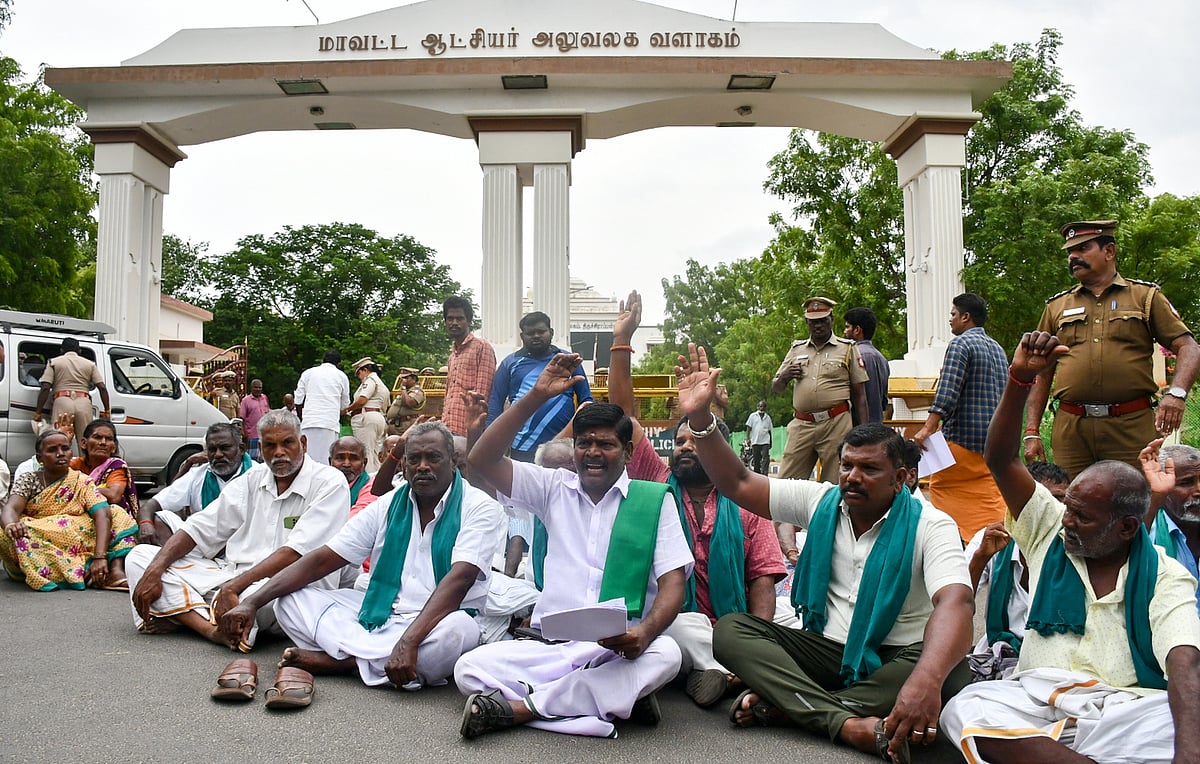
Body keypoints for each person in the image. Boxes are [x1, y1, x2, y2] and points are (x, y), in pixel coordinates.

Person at [674, 343, 974, 763]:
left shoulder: (931, 523)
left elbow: (956, 603)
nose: (852, 477)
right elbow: (739, 482)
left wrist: (926, 678)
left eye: (869, 469)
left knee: (950, 670)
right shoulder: (822, 501)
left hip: (898, 654)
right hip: (826, 650)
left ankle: (791, 707)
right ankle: (848, 723)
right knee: (731, 631)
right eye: (847, 465)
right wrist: (701, 418)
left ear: (902, 479)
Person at [941, 329, 1200, 764]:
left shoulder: (1164, 575)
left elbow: (1184, 661)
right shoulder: (1049, 535)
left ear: (1126, 528)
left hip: (1124, 708)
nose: (1067, 520)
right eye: (1068, 508)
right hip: (1037, 700)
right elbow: (1002, 458)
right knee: (965, 708)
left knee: (1185, 719)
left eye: (1082, 516)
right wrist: (1019, 379)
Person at [456, 357, 693, 739]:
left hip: (618, 648)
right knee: (468, 668)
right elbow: (482, 459)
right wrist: (534, 396)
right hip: (555, 649)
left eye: (606, 444)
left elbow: (673, 585)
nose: (593, 452)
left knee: (667, 655)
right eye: (584, 443)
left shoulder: (653, 501)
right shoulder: (552, 488)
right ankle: (604, 701)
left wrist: (645, 634)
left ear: (629, 453)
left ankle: (522, 709)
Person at [216, 421, 503, 705]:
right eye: (414, 459)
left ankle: (343, 663)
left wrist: (410, 640)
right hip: (378, 614)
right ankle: (377, 664)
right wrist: (252, 602)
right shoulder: (387, 504)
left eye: (433, 458)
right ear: (403, 464)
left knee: (460, 631)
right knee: (288, 601)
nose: (423, 466)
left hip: (436, 621)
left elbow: (460, 579)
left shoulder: (480, 507)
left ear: (452, 461)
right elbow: (323, 559)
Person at [609, 289, 786, 707]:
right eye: (679, 441)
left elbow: (762, 578)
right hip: (668, 621)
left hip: (729, 625)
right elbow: (623, 418)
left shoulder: (746, 503)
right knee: (684, 628)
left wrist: (758, 635)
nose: (684, 447)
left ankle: (717, 669)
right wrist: (621, 341)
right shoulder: (656, 481)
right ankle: (731, 675)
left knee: (774, 629)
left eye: (696, 441)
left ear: (719, 452)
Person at [126, 409, 349, 650]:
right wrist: (155, 570)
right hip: (229, 575)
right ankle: (211, 629)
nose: (279, 453)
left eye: (287, 443)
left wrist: (233, 588)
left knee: (259, 600)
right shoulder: (253, 478)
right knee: (140, 558)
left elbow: (295, 554)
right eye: (270, 446)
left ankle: (183, 610)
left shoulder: (329, 482)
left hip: (286, 587)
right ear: (260, 448)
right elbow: (200, 528)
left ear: (303, 443)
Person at [1024, 219, 1200, 479]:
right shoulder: (1056, 307)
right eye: (1070, 251)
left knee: (1138, 503)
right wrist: (1032, 430)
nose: (1073, 256)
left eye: (1083, 248)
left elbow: (1188, 347)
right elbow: (1042, 370)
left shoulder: (1145, 297)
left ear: (1109, 251)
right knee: (1072, 505)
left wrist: (1176, 394)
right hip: (1072, 430)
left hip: (1131, 427)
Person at [912, 293, 1009, 542]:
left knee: (943, 488)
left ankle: (954, 544)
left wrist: (927, 428)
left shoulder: (961, 344)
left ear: (966, 317)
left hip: (961, 440)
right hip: (992, 442)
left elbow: (948, 390)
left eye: (953, 315)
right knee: (989, 492)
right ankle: (993, 541)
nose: (950, 320)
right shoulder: (997, 349)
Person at [0, 428, 136, 591]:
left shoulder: (81, 481)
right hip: (39, 534)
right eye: (52, 450)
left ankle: (113, 570)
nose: (60, 453)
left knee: (116, 513)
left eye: (65, 448)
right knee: (11, 532)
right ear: (40, 458)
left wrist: (100, 556)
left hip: (75, 535)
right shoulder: (29, 479)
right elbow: (11, 509)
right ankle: (86, 573)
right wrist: (11, 525)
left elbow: (102, 514)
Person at [774, 297, 869, 484]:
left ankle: (829, 514)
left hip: (836, 423)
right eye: (813, 322)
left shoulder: (847, 348)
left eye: (823, 320)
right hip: (802, 424)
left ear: (831, 320)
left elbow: (860, 395)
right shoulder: (796, 349)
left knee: (834, 485)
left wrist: (863, 434)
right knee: (785, 484)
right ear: (807, 323)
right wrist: (784, 376)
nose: (818, 325)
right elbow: (776, 388)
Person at [488, 311, 593, 462]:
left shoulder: (567, 360)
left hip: (563, 444)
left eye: (541, 331)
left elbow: (586, 401)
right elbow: (495, 403)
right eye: (531, 333)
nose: (536, 336)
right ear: (522, 336)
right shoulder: (510, 363)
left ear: (551, 333)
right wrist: (493, 441)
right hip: (523, 445)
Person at [135, 423, 251, 545]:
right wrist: (145, 523)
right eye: (212, 450)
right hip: (204, 545)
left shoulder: (256, 474)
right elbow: (151, 505)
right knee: (159, 518)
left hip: (245, 546)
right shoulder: (199, 475)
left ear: (241, 449)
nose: (218, 454)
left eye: (225, 448)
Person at [1140, 440, 1200, 603]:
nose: (1198, 491)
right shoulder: (1149, 530)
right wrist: (1156, 495)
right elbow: (1131, 556)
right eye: (1186, 482)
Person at [33, 337, 111, 448]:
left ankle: (61, 463)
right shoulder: (90, 364)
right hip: (83, 402)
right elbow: (102, 387)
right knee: (85, 441)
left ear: (61, 350)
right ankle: (85, 463)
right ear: (79, 351)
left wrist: (38, 413)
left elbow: (45, 387)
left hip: (62, 401)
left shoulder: (54, 362)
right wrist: (107, 411)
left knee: (59, 439)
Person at [442, 296, 496, 437]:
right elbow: (449, 394)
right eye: (450, 319)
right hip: (448, 426)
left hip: (469, 430)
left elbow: (483, 393)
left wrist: (475, 429)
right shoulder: (452, 355)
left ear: (469, 321)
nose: (454, 323)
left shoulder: (482, 347)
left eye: (460, 318)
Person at [69, 419, 139, 523]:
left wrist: (77, 489)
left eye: (109, 439)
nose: (103, 443)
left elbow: (113, 496)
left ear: (114, 447)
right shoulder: (77, 464)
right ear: (84, 443)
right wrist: (65, 440)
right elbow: (52, 477)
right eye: (97, 437)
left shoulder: (116, 467)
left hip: (109, 520)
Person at [294, 350, 350, 466]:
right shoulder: (341, 376)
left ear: (322, 360)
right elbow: (345, 404)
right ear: (338, 364)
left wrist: (302, 418)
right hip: (329, 424)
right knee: (326, 460)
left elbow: (298, 399)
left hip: (309, 422)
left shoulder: (308, 373)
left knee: (306, 460)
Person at [843, 307, 890, 424]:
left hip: (859, 428)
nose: (844, 331)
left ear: (857, 330)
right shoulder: (881, 358)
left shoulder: (855, 356)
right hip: (876, 425)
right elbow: (884, 401)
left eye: (847, 327)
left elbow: (858, 396)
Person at [343, 357, 390, 472]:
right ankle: (376, 479)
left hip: (367, 418)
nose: (359, 376)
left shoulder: (370, 380)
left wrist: (347, 409)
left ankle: (368, 482)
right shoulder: (382, 384)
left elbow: (362, 400)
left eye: (359, 373)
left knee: (366, 452)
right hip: (379, 417)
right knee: (376, 454)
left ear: (364, 370)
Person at [386, 368, 426, 437]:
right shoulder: (403, 392)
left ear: (413, 379)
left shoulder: (417, 391)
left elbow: (409, 402)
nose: (403, 380)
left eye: (406, 378)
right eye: (402, 378)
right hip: (395, 426)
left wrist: (403, 388)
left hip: (405, 425)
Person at [237, 379, 270, 462]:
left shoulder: (264, 398)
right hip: (252, 435)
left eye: (260, 388)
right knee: (253, 459)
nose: (258, 389)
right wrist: (244, 433)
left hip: (264, 434)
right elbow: (242, 418)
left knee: (264, 458)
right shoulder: (246, 400)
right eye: (256, 387)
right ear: (251, 388)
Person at [744, 400, 773, 476]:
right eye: (760, 406)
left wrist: (771, 442)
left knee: (765, 458)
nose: (761, 408)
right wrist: (748, 438)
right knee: (756, 459)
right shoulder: (753, 416)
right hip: (755, 441)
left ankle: (764, 474)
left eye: (763, 406)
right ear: (757, 407)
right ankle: (757, 475)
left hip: (765, 441)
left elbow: (769, 431)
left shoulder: (768, 418)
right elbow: (748, 427)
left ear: (765, 408)